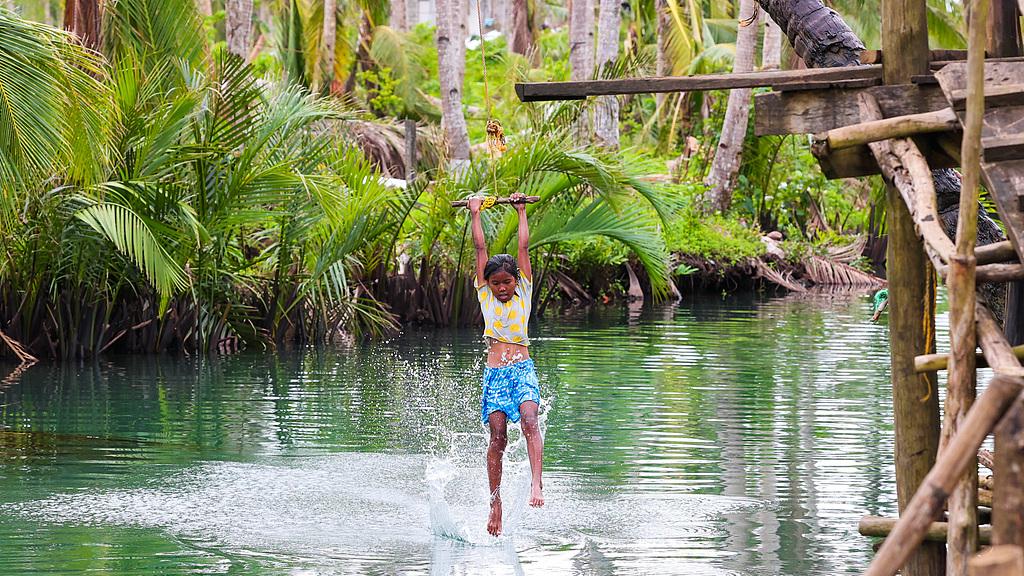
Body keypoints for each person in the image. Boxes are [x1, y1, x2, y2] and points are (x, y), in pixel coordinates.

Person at [467, 192, 544, 537]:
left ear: (517, 281)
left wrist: (521, 211)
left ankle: (537, 485)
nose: (501, 288)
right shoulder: (485, 294)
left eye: (506, 282)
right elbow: (480, 251)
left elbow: (524, 249)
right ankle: (495, 501)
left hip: (522, 369)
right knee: (497, 437)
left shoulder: (524, 291)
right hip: (496, 373)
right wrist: (475, 214)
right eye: (495, 283)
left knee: (529, 419)